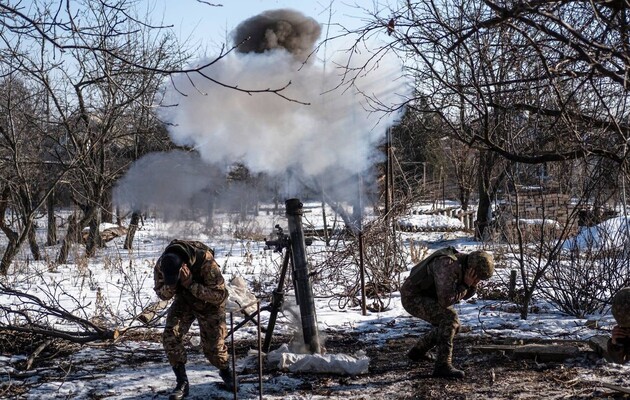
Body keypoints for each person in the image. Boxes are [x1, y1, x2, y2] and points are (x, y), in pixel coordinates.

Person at [153, 239, 237, 399]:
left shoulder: (205, 261)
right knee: (171, 337)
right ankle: (182, 382)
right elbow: (161, 293)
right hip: (184, 299)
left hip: (210, 303)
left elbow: (219, 296)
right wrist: (170, 287)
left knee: (213, 349)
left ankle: (226, 372)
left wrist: (191, 284)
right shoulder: (163, 264)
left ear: (184, 265)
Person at [400, 247, 494, 379]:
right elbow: (445, 300)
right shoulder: (447, 265)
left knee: (453, 325)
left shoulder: (466, 265)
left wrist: (471, 285)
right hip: (412, 297)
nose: (478, 279)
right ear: (472, 268)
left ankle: (418, 351)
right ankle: (442, 365)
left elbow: (464, 296)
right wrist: (466, 285)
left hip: (428, 296)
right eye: (477, 276)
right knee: (450, 319)